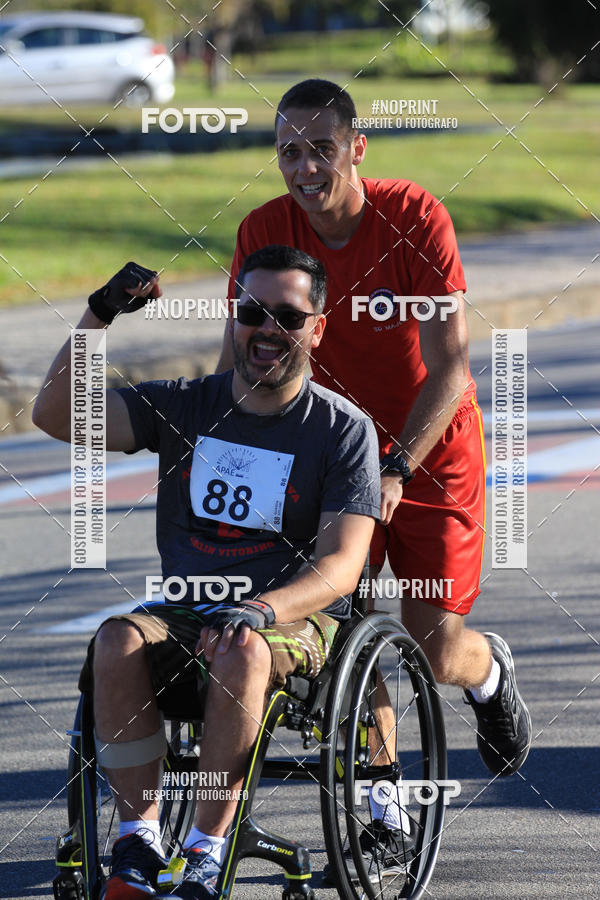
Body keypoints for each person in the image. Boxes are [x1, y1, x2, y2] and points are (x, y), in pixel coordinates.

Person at [33, 246, 385, 899]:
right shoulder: (185, 406)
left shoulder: (341, 430)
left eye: (289, 315)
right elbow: (55, 415)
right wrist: (98, 313)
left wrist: (261, 609)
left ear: (318, 327)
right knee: (115, 638)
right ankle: (137, 843)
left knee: (242, 649)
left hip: (288, 621)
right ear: (234, 316)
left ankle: (206, 846)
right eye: (253, 311)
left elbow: (342, 564)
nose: (267, 329)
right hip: (187, 610)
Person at [216, 79, 532, 786]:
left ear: (357, 149)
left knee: (434, 647)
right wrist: (219, 460)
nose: (305, 169)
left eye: (321, 150)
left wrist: (395, 468)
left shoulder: (415, 217)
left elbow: (450, 371)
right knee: (340, 621)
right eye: (288, 152)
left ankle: (489, 672)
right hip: (328, 453)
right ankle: (384, 804)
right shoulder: (262, 233)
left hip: (428, 444)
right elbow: (237, 362)